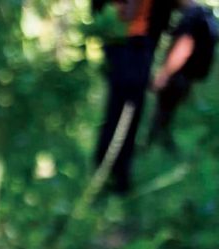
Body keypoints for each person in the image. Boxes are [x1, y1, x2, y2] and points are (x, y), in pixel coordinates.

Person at [93, 0, 176, 192]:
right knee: (124, 114)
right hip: (131, 50)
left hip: (130, 48)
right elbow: (127, 13)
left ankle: (111, 175)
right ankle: (112, 176)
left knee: (120, 114)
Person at [149, 0, 219, 147]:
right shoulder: (202, 14)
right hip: (188, 76)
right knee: (168, 116)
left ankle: (156, 148)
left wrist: (165, 74)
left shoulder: (191, 16)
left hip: (178, 75)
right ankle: (160, 148)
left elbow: (184, 47)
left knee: (163, 115)